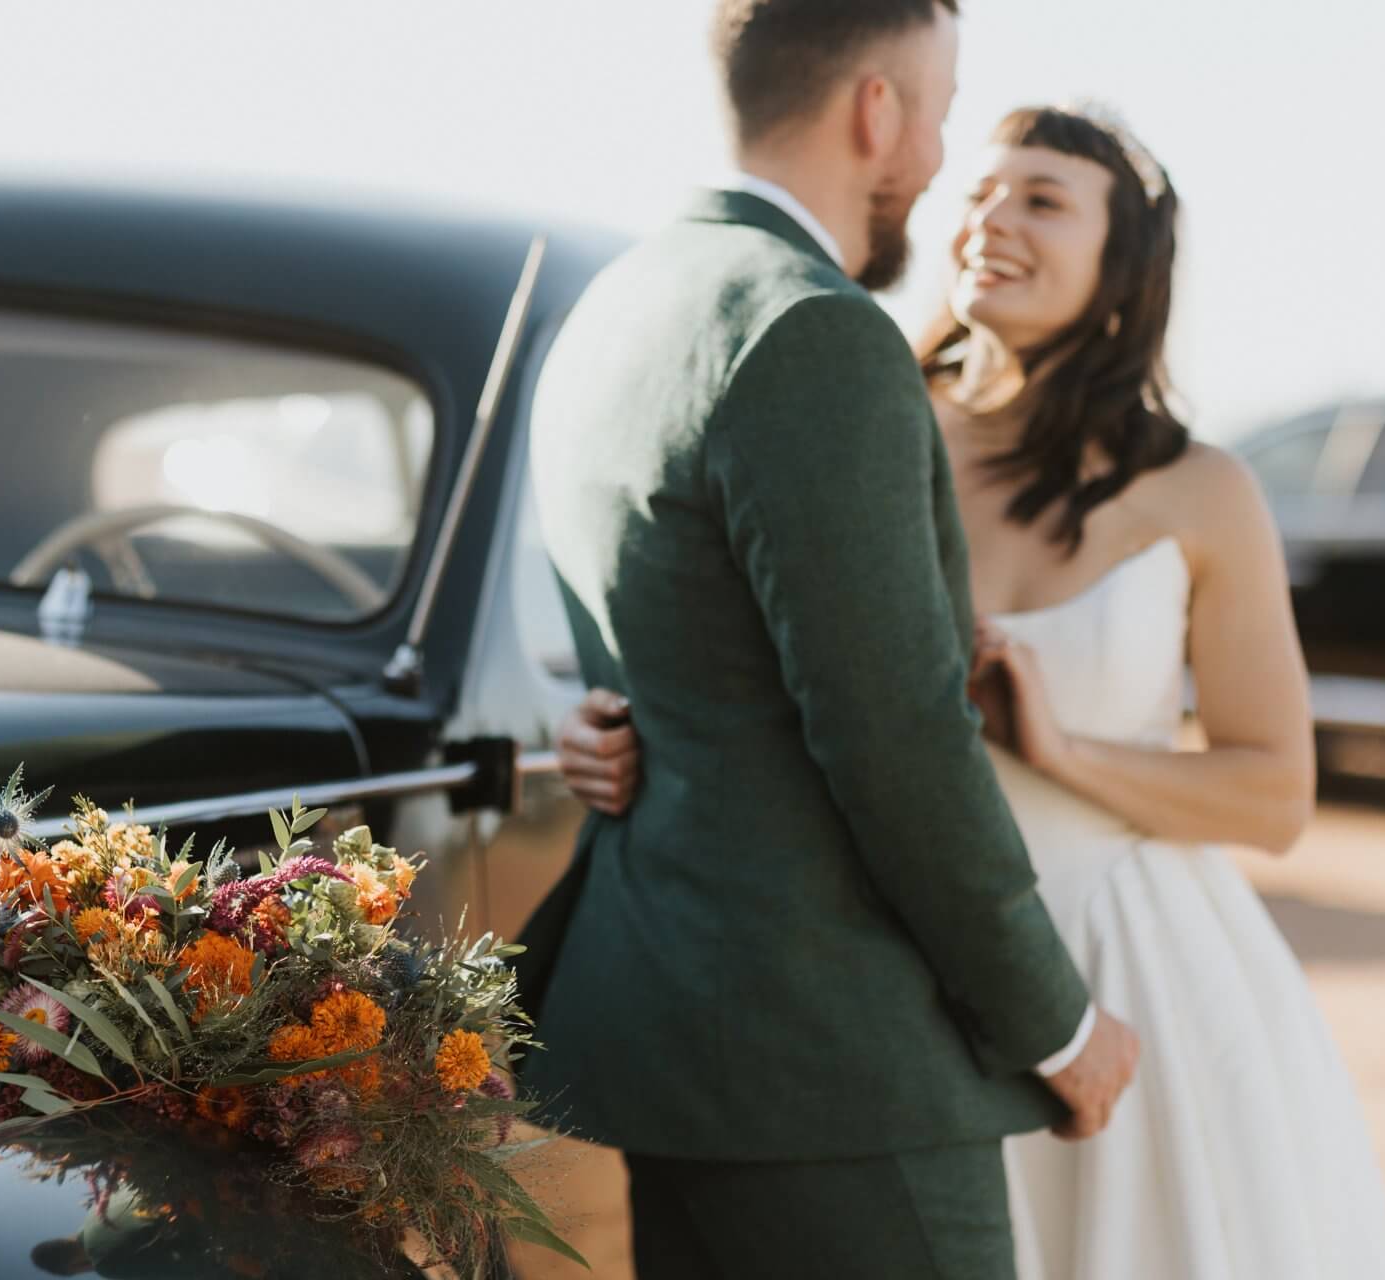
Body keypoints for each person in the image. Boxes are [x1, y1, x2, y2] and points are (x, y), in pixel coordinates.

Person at [559, 101, 1385, 1279]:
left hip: (1127, 965)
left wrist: (1063, 750)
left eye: (1044, 199)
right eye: (983, 192)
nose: (991, 219)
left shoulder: (1202, 490)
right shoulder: (861, 417)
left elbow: (1274, 795)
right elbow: (743, 650)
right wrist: (605, 723)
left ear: (1124, 271)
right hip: (888, 973)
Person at [520, 3, 1138, 1276]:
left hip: (671, 1034)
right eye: (944, 103)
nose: (937, 147)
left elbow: (660, 649)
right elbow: (896, 734)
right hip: (828, 1064)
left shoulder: (616, 306)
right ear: (877, 109)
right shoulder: (816, 329)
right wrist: (1057, 1022)